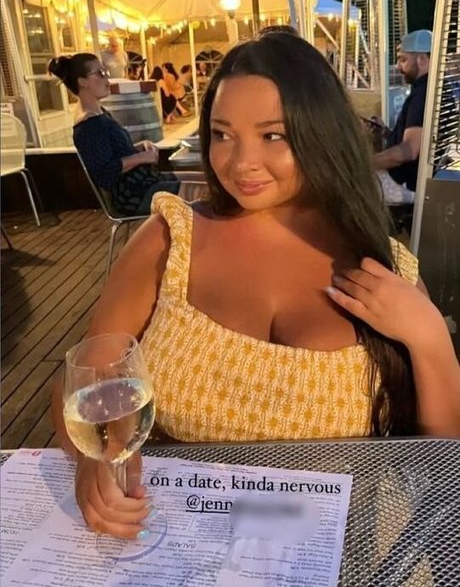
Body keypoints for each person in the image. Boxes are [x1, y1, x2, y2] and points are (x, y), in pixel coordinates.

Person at [52, 29, 460, 540]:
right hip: (172, 536)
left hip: (328, 545)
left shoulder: (383, 265)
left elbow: (442, 455)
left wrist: (429, 336)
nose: (241, 162)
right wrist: (92, 459)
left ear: (322, 134)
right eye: (222, 134)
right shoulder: (170, 238)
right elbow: (86, 377)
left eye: (273, 136)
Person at [48, 54, 183, 215]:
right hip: (134, 195)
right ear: (82, 82)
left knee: (204, 182)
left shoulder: (100, 114)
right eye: (100, 73)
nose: (107, 79)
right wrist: (141, 158)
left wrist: (139, 147)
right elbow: (104, 173)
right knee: (200, 192)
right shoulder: (89, 125)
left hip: (145, 182)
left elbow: (113, 154)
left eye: (106, 72)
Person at [373, 29, 432, 204]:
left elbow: (409, 151)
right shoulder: (431, 88)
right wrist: (385, 132)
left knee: (341, 184)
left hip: (402, 183)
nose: (398, 67)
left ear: (422, 59)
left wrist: (363, 164)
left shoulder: (422, 95)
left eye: (403, 60)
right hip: (410, 179)